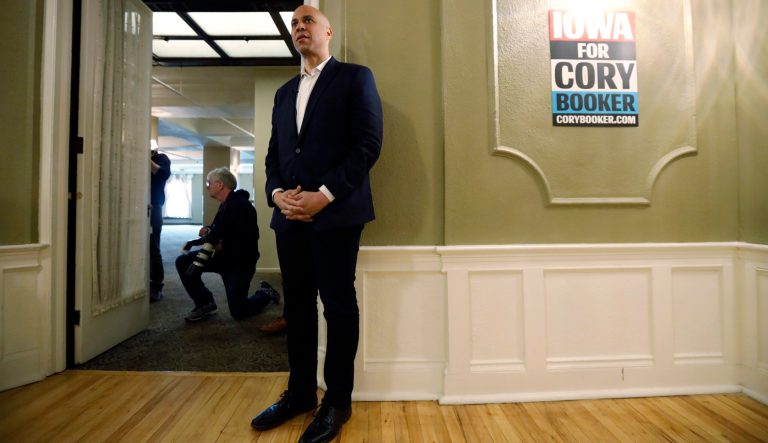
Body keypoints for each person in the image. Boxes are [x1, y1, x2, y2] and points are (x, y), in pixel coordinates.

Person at [249, 5, 383, 443]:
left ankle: (337, 402)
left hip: (337, 217)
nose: (299, 27)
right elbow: (274, 156)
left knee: (339, 307)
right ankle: (301, 394)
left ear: (328, 31)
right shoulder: (284, 92)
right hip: (289, 220)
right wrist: (276, 194)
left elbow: (367, 145)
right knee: (297, 308)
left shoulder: (355, 78)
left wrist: (323, 196)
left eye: (307, 21)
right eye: (293, 24)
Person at [175, 167, 278, 322]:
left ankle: (265, 293)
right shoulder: (225, 204)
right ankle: (205, 303)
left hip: (239, 263)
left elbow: (249, 239)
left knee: (239, 311)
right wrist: (209, 230)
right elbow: (223, 229)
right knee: (183, 262)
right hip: (221, 257)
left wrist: (223, 246)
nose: (207, 186)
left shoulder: (242, 206)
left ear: (220, 185)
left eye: (209, 183)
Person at [150, 149, 171, 302]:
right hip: (133, 207)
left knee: (153, 246)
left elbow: (163, 174)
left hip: (153, 208)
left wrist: (147, 159)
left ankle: (157, 285)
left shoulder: (161, 158)